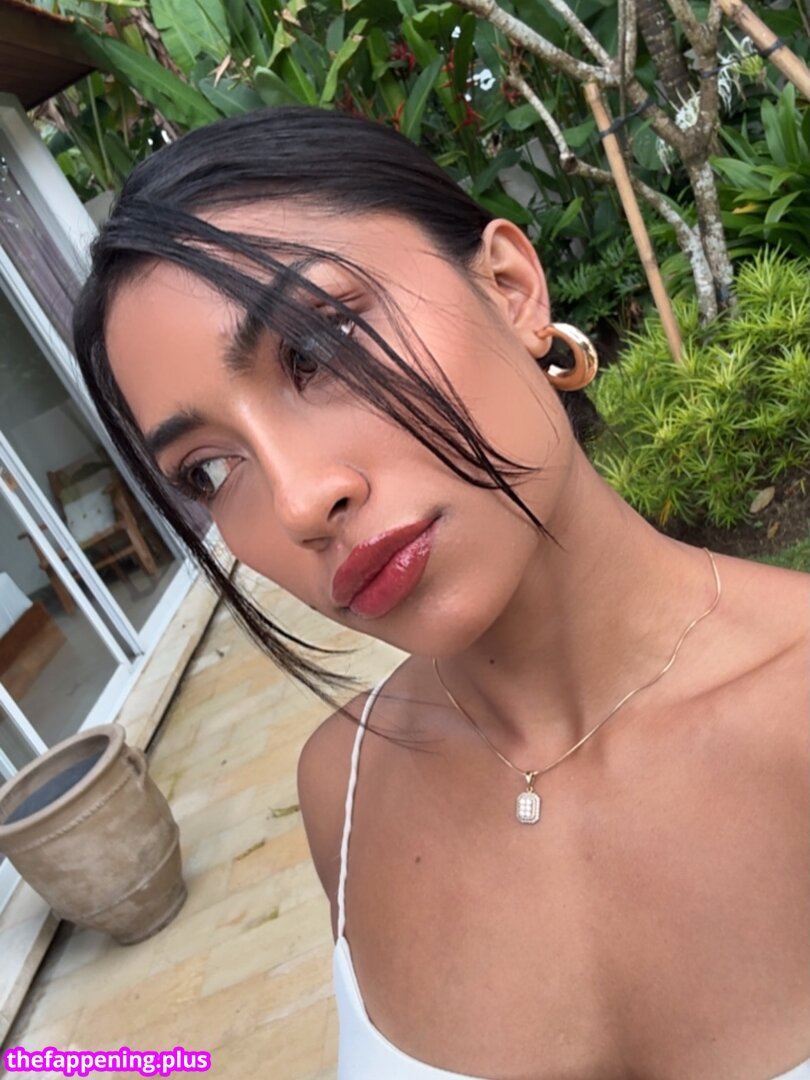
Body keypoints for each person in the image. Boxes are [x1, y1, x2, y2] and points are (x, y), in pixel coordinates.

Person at [73, 106, 808, 1080]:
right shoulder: (342, 792)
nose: (298, 501)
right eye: (208, 470)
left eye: (317, 346)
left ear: (509, 288)